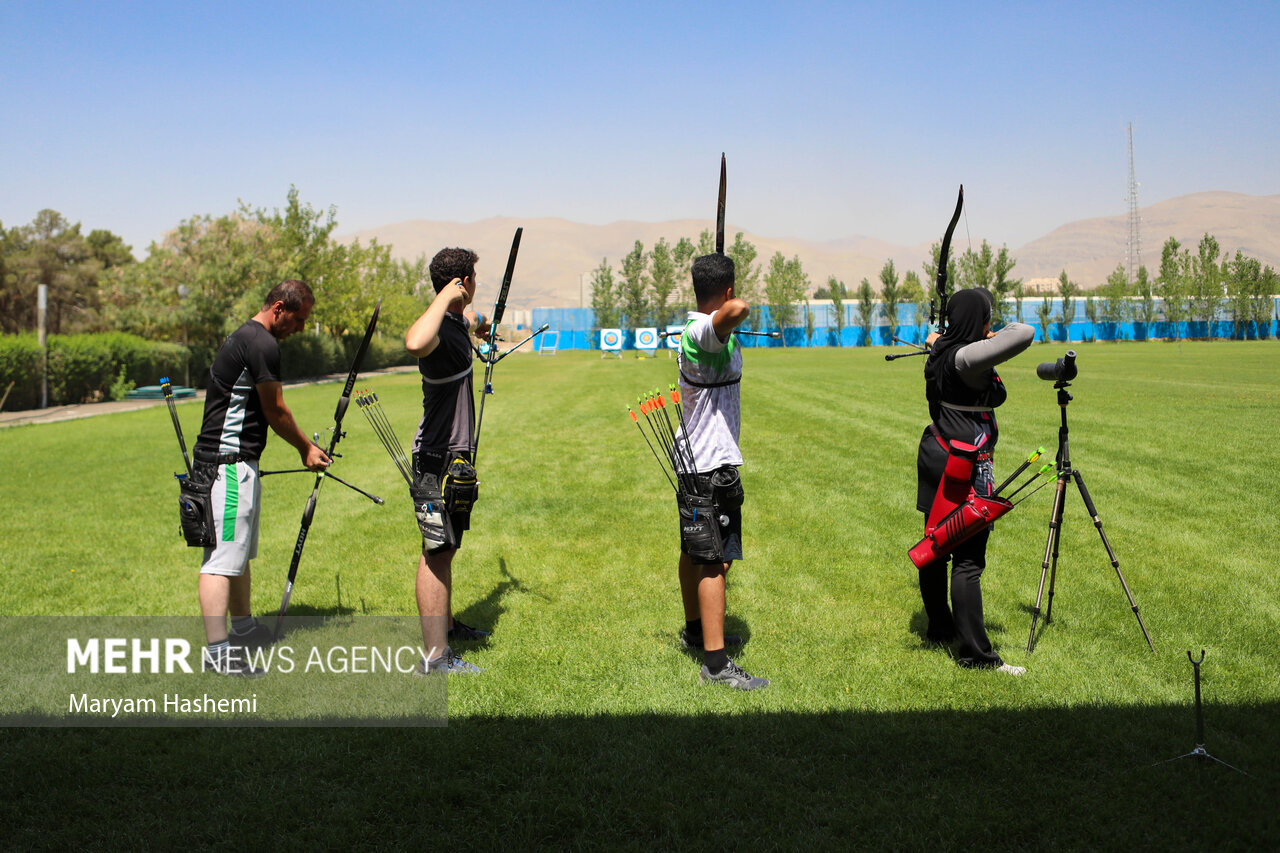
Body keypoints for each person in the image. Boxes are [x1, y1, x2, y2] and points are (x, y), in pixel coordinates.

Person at [193, 279, 330, 676]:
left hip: (234, 464)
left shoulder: (247, 337)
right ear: (279, 307)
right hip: (228, 465)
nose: (301, 328)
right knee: (220, 560)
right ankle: (219, 653)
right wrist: (306, 447)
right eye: (299, 319)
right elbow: (276, 410)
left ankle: (244, 628)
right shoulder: (262, 343)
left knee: (237, 553)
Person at [916, 288, 1034, 674]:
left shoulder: (944, 352)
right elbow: (1023, 332)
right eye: (987, 316)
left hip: (938, 453)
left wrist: (940, 338)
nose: (991, 325)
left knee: (936, 543)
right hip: (965, 465)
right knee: (967, 560)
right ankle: (977, 656)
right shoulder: (966, 357)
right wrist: (986, 333)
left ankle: (940, 628)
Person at [674, 253, 768, 690]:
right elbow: (738, 311)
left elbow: (728, 315)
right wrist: (728, 306)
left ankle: (696, 629)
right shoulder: (700, 332)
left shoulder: (703, 331)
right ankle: (715, 663)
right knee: (713, 561)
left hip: (699, 462)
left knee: (694, 552)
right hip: (709, 466)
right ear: (727, 290)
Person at [404, 247, 493, 675]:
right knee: (436, 551)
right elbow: (414, 342)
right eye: (471, 278)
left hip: (455, 459)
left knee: (448, 547)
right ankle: (435, 658)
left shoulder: (457, 323)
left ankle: (446, 627)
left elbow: (474, 323)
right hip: (435, 461)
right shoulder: (436, 328)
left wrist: (481, 323)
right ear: (462, 283)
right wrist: (444, 296)